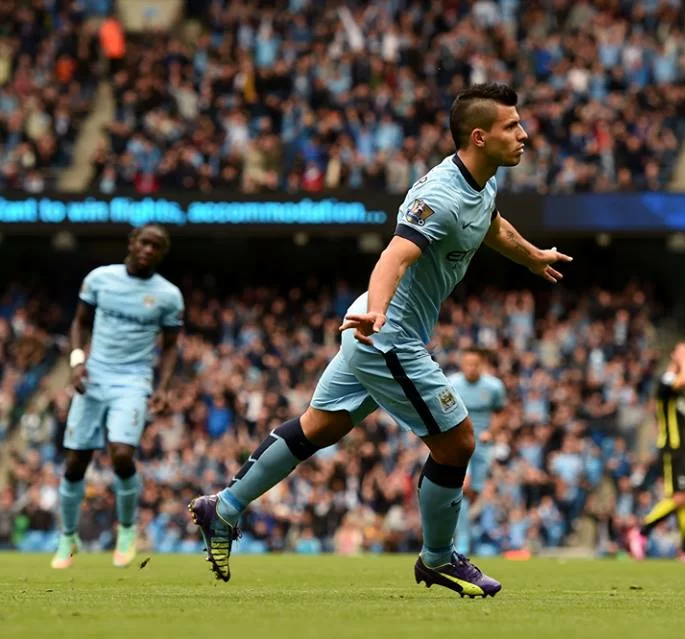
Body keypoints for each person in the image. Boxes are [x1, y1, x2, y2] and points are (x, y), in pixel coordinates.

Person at [187, 83, 572, 597]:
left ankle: (224, 506)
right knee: (458, 442)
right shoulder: (440, 195)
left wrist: (531, 256)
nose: (524, 134)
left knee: (318, 427)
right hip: (386, 334)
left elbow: (491, 225)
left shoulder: (482, 183)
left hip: (374, 328)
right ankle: (438, 559)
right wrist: (377, 311)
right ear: (479, 137)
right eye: (512, 126)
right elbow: (395, 254)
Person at [52, 224, 183, 569]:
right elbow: (80, 322)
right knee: (76, 461)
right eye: (144, 243)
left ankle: (126, 529)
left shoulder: (168, 295)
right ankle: (68, 536)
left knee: (122, 454)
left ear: (162, 253)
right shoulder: (100, 279)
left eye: (156, 246)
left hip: (133, 381)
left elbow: (171, 346)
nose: (148, 250)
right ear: (132, 243)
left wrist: (163, 387)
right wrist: (77, 361)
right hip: (94, 375)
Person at [627, 342, 685, 564]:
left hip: (684, 448)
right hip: (672, 448)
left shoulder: (678, 389)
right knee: (678, 497)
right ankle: (641, 531)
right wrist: (684, 357)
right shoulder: (666, 382)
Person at [449, 348, 506, 553]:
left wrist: (491, 432)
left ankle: (463, 534)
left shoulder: (494, 386)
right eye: (468, 363)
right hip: (459, 443)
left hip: (482, 446)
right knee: (463, 487)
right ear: (462, 364)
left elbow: (500, 413)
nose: (471, 368)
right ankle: (462, 543)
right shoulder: (452, 384)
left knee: (474, 492)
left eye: (475, 364)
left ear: (481, 365)